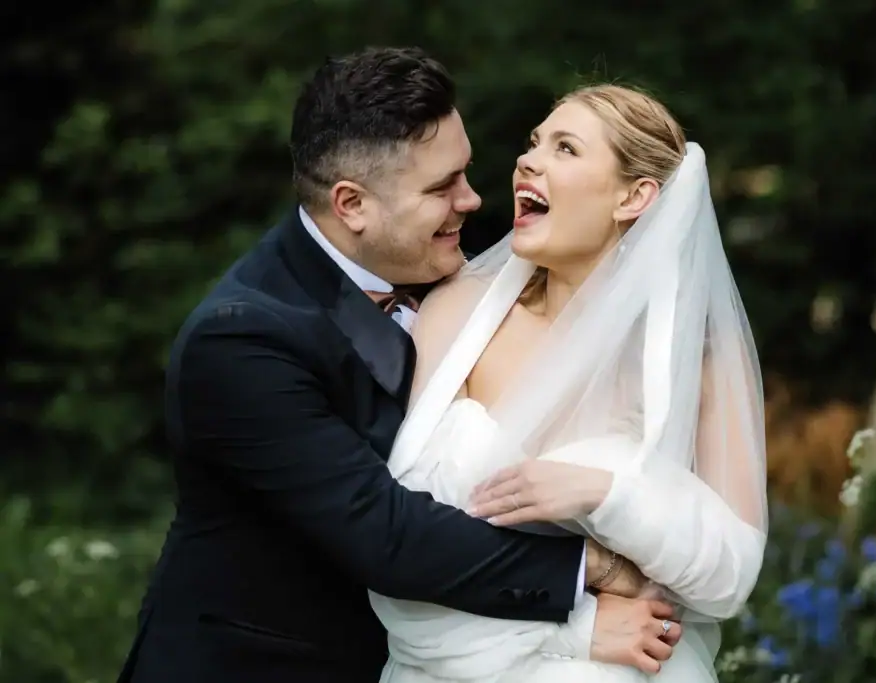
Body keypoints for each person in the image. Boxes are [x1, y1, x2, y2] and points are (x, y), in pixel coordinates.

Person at [115, 48, 681, 683]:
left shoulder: (461, 288)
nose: (472, 200)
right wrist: (591, 576)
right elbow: (385, 533)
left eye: (464, 172)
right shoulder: (244, 338)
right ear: (352, 204)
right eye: (442, 188)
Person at [369, 84, 769, 682]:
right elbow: (397, 547)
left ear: (634, 197)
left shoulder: (700, 357)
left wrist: (605, 494)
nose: (529, 161)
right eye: (534, 143)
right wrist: (571, 632)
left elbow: (730, 580)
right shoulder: (457, 314)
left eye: (565, 148)